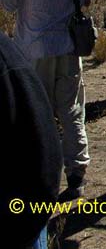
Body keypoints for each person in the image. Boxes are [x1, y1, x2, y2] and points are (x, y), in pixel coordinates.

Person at [0, 0, 91, 200]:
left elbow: (9, 4)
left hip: (32, 50)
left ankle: (39, 175)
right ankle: (76, 173)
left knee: (36, 114)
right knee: (71, 110)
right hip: (67, 47)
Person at [0, 32, 62, 249]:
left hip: (16, 225)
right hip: (61, 44)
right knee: (72, 110)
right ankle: (79, 170)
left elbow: (43, 146)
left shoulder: (6, 62)